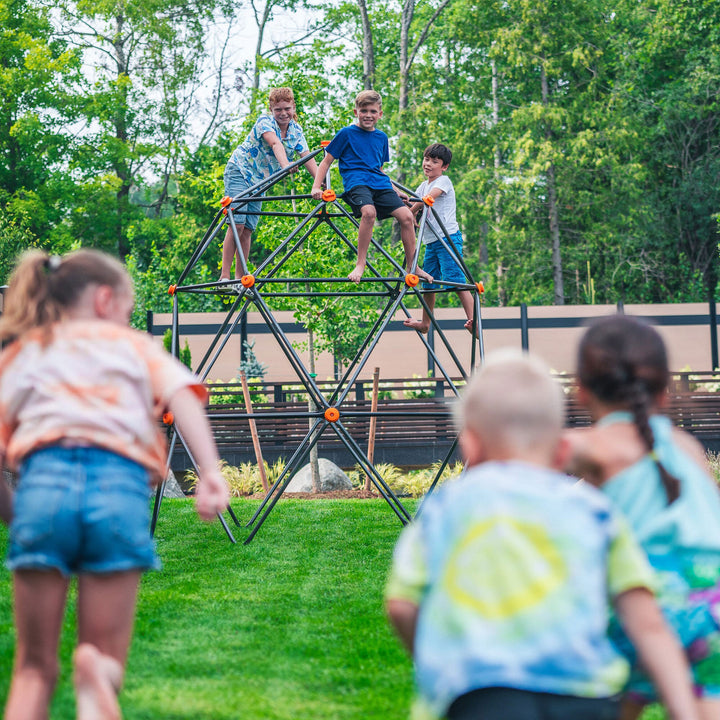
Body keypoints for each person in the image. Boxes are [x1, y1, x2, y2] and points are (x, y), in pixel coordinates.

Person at [385, 349, 699, 720]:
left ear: (470, 444)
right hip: (587, 697)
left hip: (481, 698)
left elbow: (401, 605)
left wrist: (439, 658)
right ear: (563, 447)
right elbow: (646, 620)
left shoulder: (444, 507)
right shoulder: (593, 509)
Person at [0, 249, 229, 720]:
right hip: (118, 490)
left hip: (44, 489)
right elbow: (183, 395)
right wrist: (210, 472)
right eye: (128, 306)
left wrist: (14, 510)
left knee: (33, 669)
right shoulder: (134, 346)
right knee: (105, 654)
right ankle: (97, 673)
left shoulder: (30, 348)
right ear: (106, 299)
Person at [566, 314, 720, 720]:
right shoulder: (686, 446)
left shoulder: (594, 445)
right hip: (713, 599)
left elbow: (525, 448)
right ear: (665, 391)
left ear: (580, 391)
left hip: (648, 595)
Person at [311, 89, 432, 284]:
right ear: (355, 112)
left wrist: (395, 190)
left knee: (407, 216)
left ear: (380, 114)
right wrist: (316, 187)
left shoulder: (382, 138)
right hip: (356, 182)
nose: (368, 115)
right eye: (364, 110)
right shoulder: (346, 133)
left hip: (380, 183)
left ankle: (413, 266)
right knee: (369, 212)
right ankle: (361, 263)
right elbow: (326, 162)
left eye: (373, 111)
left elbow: (379, 169)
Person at [221, 87, 319, 281]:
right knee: (237, 224)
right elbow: (275, 144)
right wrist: (285, 166)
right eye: (278, 110)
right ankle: (224, 277)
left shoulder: (296, 131)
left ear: (293, 108)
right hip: (241, 171)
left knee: (248, 229)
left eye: (287, 109)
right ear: (271, 109)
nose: (283, 113)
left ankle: (240, 278)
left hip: (260, 182)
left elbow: (306, 156)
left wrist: (320, 181)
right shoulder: (264, 122)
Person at [403, 143, 474, 334]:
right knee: (428, 284)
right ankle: (426, 324)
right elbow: (413, 201)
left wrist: (409, 214)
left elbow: (429, 198)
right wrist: (405, 207)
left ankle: (474, 322)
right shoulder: (422, 185)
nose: (428, 164)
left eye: (434, 162)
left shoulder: (443, 181)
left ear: (444, 167)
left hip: (447, 238)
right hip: (431, 242)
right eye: (426, 159)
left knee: (456, 281)